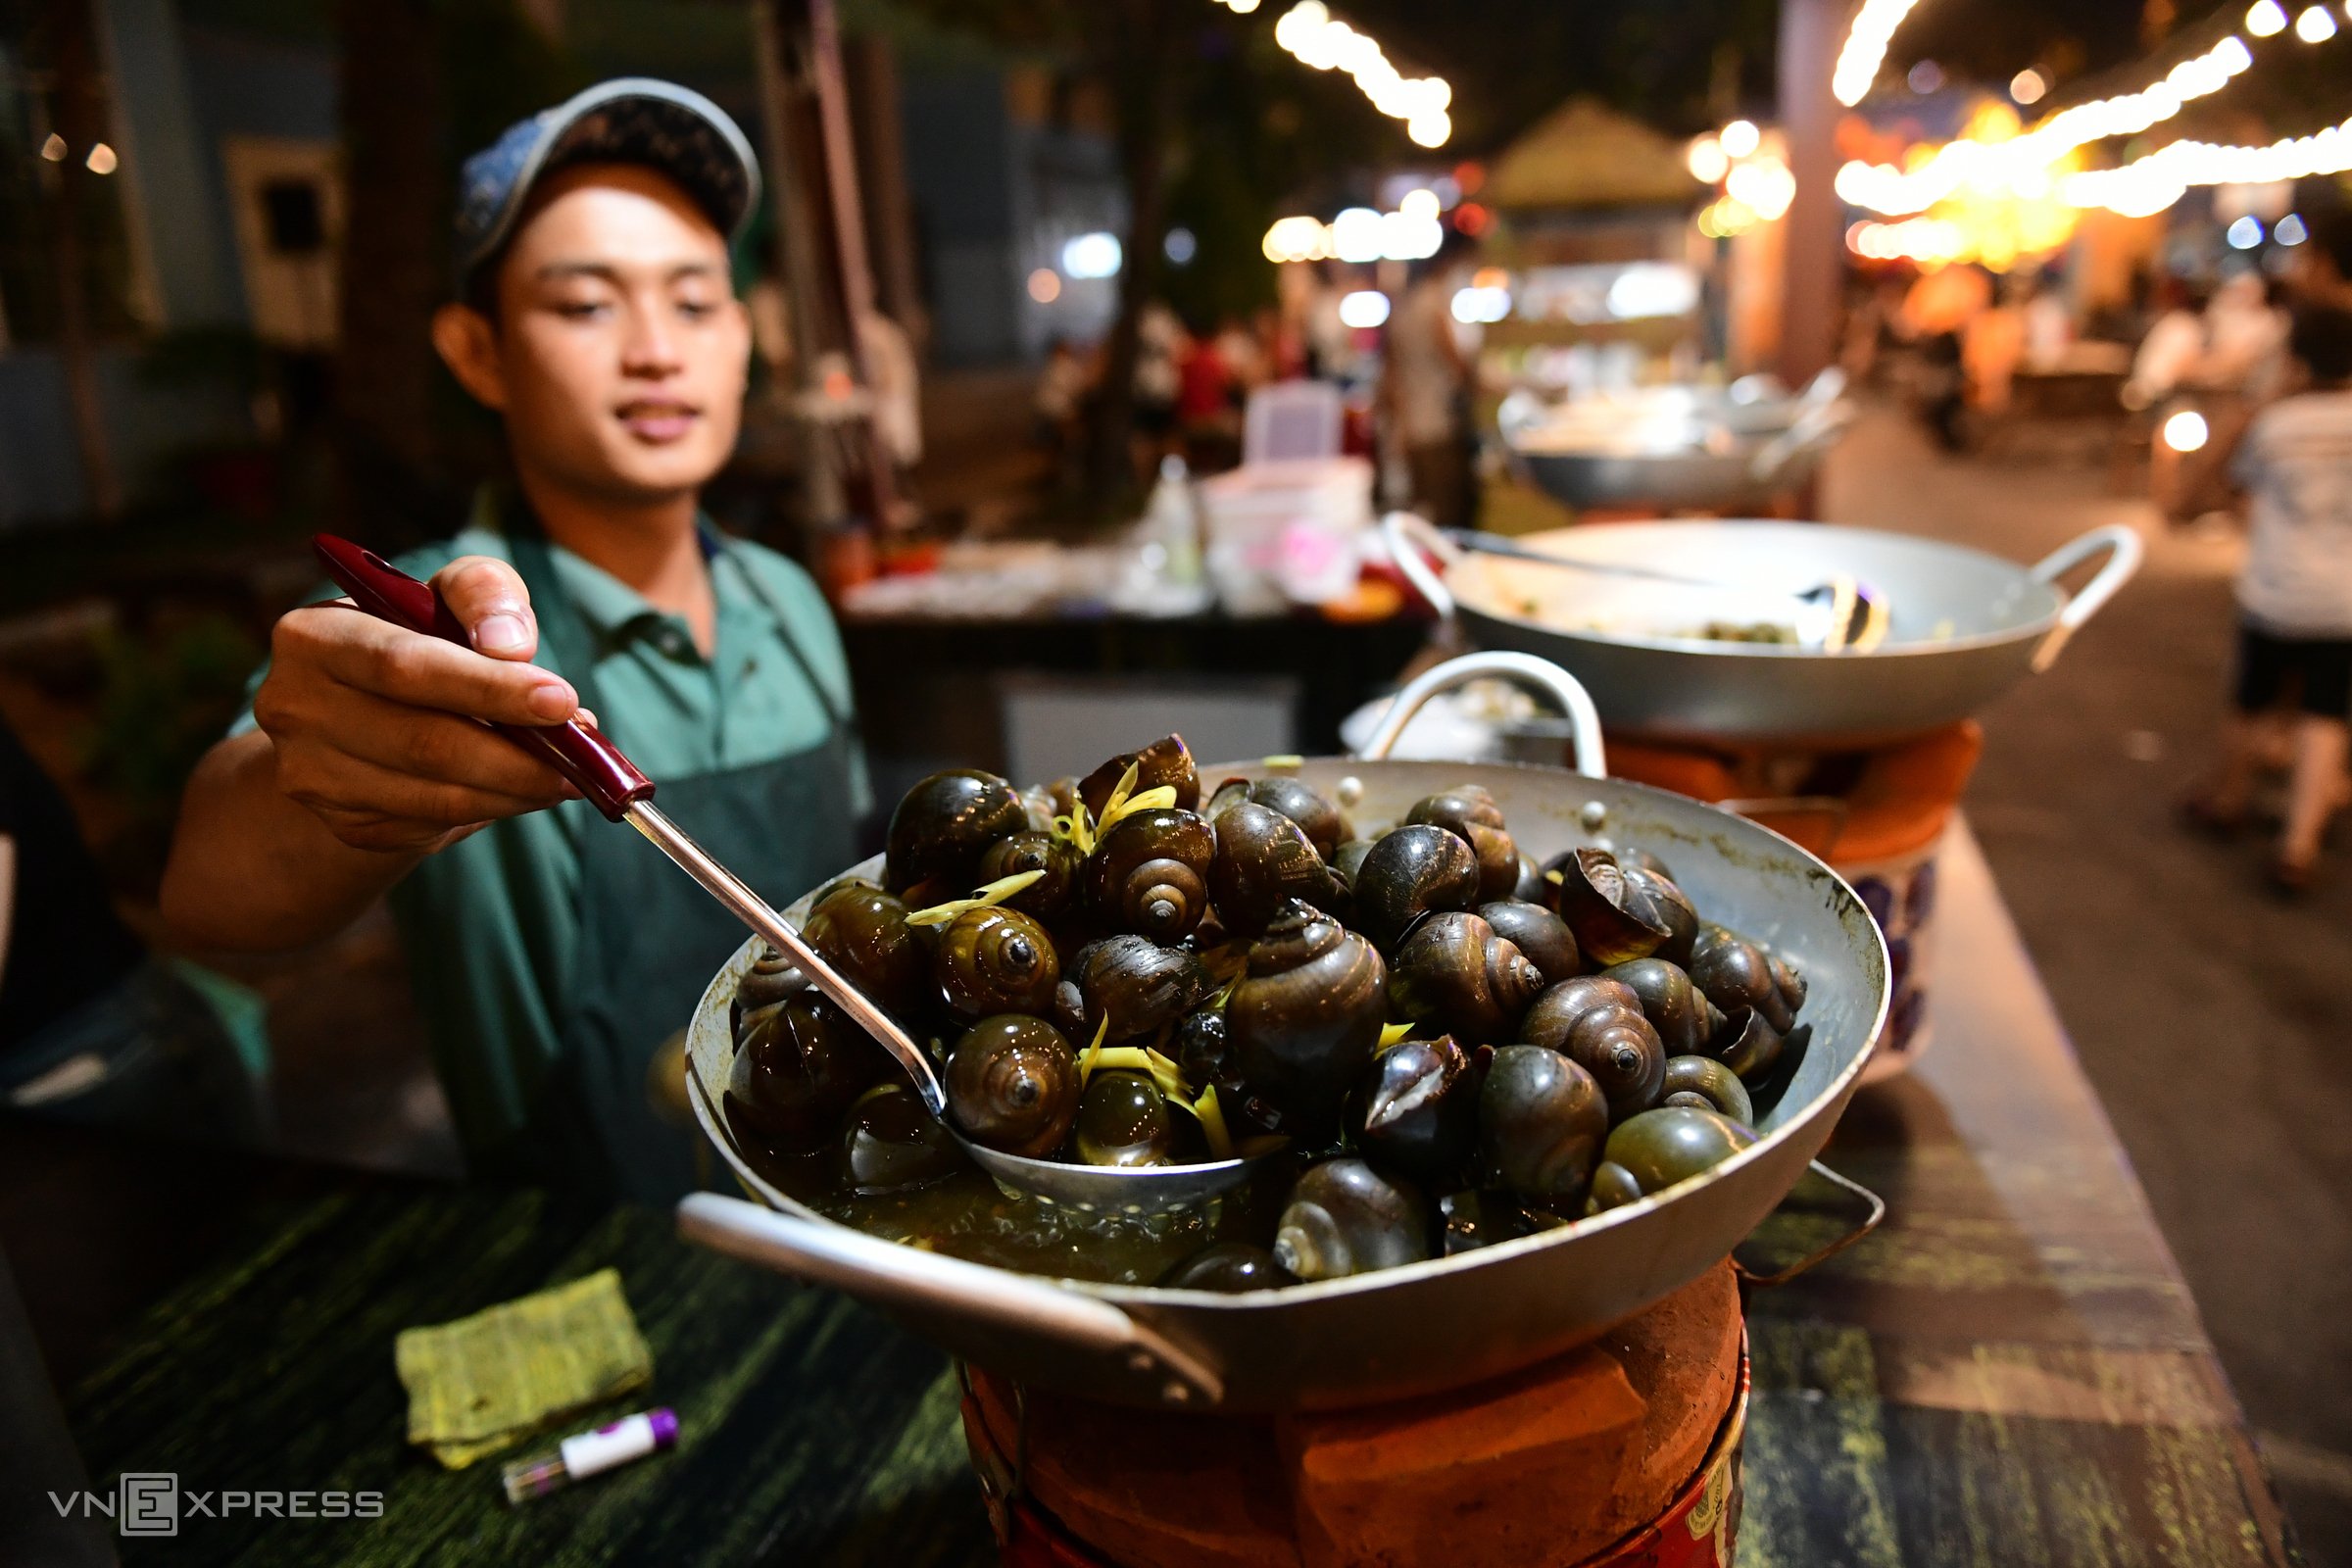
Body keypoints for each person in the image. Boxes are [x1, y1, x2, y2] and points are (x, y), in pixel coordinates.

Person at [160, 79, 868, 1201]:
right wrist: (340, 779)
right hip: (593, 1235)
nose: (654, 351)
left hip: (850, 1210)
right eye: (586, 304)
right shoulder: (439, 637)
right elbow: (211, 891)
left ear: (744, 336)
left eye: (695, 301)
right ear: (476, 350)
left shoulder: (789, 597)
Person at [2182, 306, 2352, 894]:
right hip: (2343, 602)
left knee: (2253, 702)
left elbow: (2222, 490)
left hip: (2276, 592)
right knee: (2325, 716)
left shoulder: (2279, 425)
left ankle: (2230, 800)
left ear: (2297, 359)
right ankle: (2298, 847)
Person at [1385, 228, 1480, 530]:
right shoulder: (1434, 306)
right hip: (1439, 424)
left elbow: (1392, 375)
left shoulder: (1406, 306)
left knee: (1427, 513)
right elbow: (1457, 365)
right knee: (1449, 513)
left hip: (1414, 425)